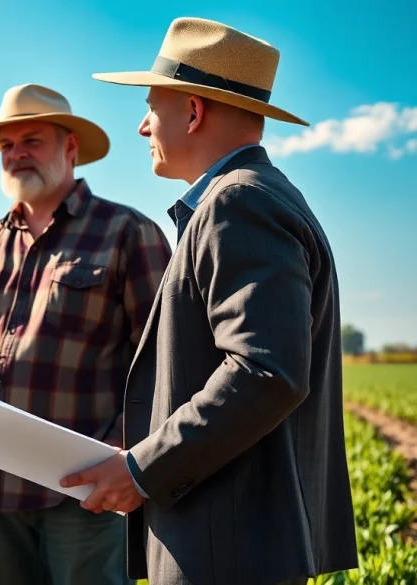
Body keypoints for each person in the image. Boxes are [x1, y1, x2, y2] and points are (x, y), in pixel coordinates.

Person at [64, 17, 360, 585]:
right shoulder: (259, 196)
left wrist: (141, 469)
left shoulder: (238, 203)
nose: (142, 125)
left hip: (223, 550)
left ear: (193, 111)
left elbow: (263, 371)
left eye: (152, 105)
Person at [0, 83, 172, 585]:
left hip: (85, 496)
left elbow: (165, 365)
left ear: (70, 147)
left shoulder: (128, 233)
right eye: (7, 145)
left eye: (32, 141)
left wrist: (126, 460)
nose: (16, 154)